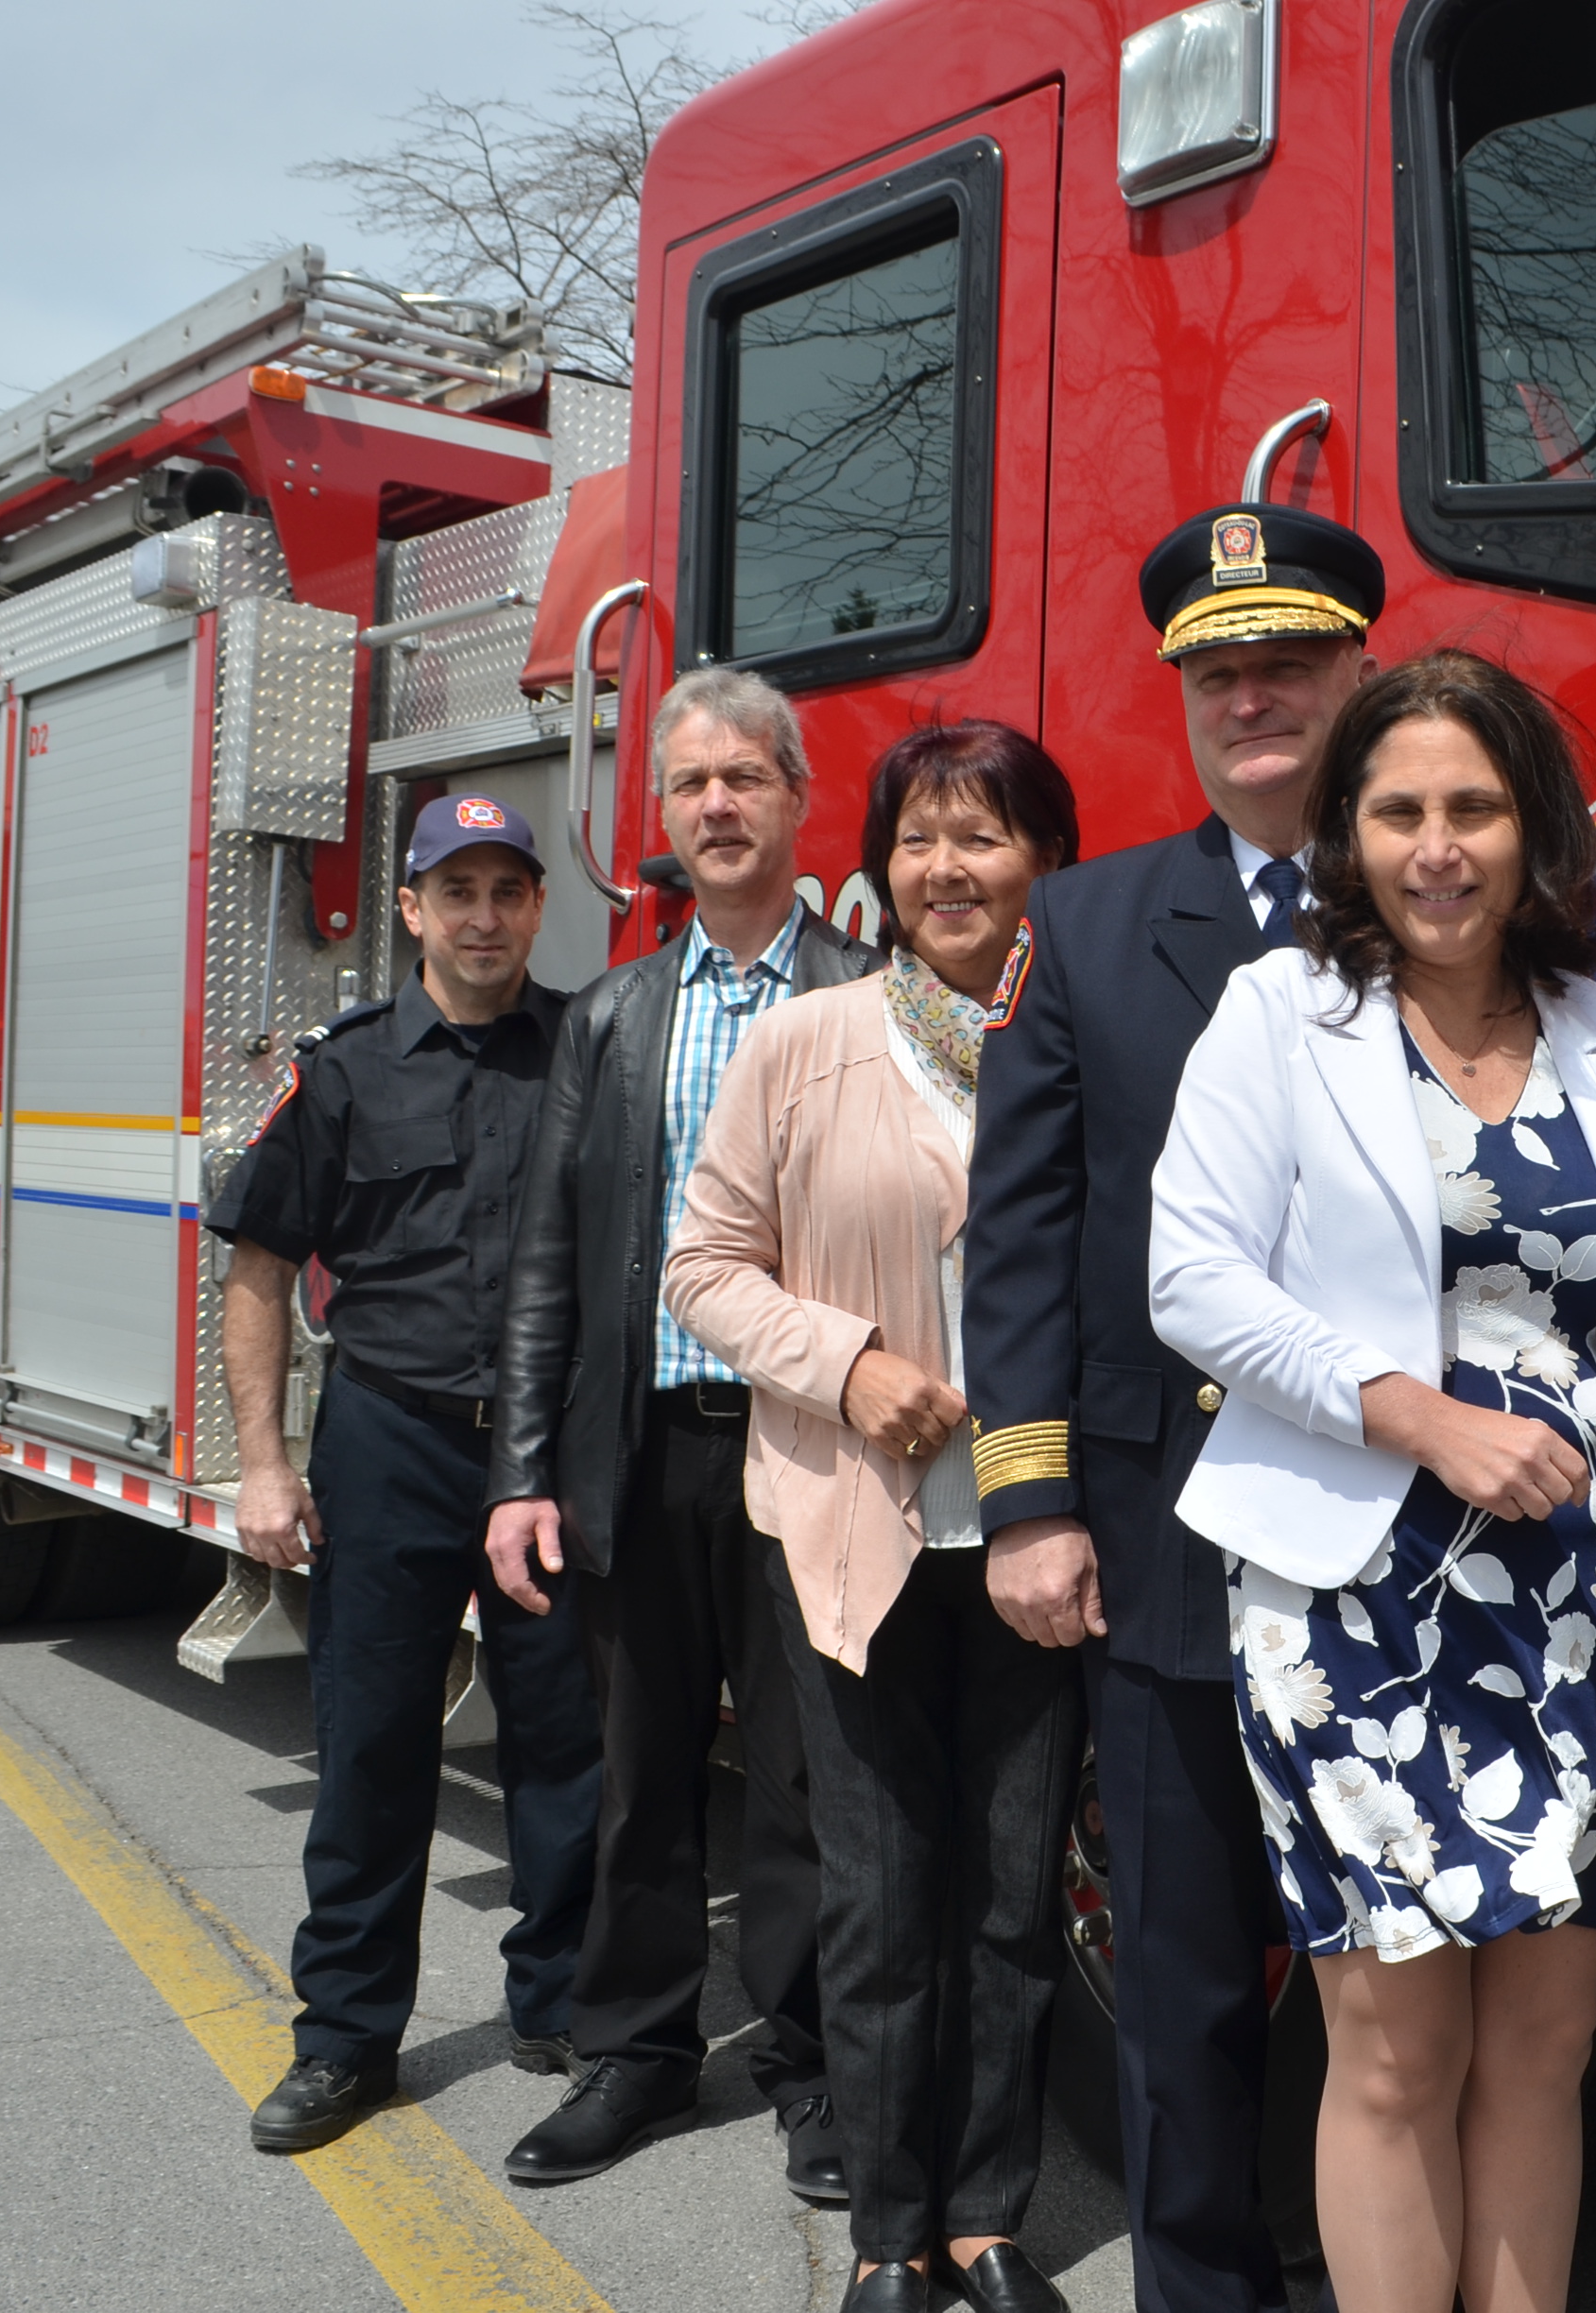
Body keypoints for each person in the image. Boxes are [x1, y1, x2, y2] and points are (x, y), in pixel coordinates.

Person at [1148, 651, 1596, 2313]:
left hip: (1581, 1604)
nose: (1437, 848)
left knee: (1544, 2051)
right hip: (1356, 1599)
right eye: (1397, 813)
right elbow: (1192, 1279)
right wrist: (1422, 1418)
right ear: (1347, 834)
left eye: (1474, 808)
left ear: (1534, 831)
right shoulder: (1281, 1013)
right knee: (1394, 2057)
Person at [962, 500, 1384, 2313]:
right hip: (1168, 1535)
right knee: (1192, 1983)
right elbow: (1022, 1234)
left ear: (1359, 675)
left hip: (1404, 1528)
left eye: (1287, 663)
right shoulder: (1087, 922)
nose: (1252, 699)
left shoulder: (1444, 888)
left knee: (1406, 1983)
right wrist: (1031, 1503)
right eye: (1219, 674)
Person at [664, 722, 1089, 2313]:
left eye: (983, 836)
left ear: (1044, 859)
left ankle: (988, 2219)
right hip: (854, 1526)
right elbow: (702, 1267)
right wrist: (845, 1369)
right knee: (880, 1892)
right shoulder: (806, 1041)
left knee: (1013, 1891)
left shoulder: (1087, 1034)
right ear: (881, 867)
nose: (946, 868)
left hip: (1044, 1536)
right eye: (918, 839)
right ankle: (888, 2233)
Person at [481, 668, 878, 2194]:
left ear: (797, 800)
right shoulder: (612, 1016)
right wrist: (523, 1475)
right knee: (640, 1774)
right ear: (664, 814)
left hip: (811, 1455)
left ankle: (812, 2068)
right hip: (640, 1457)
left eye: (745, 779)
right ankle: (636, 2057)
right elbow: (547, 1265)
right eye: (692, 784)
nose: (719, 806)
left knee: (804, 1782)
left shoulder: (872, 992)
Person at [212, 794, 603, 2154]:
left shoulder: (589, 1052)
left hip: (547, 1450)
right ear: (412, 907)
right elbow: (260, 1269)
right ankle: (345, 2041)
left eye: (507, 891)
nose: (483, 918)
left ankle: (564, 2004)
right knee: (373, 1745)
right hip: (390, 1440)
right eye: (457, 892)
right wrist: (265, 1466)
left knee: (567, 1741)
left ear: (538, 907)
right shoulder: (344, 1072)